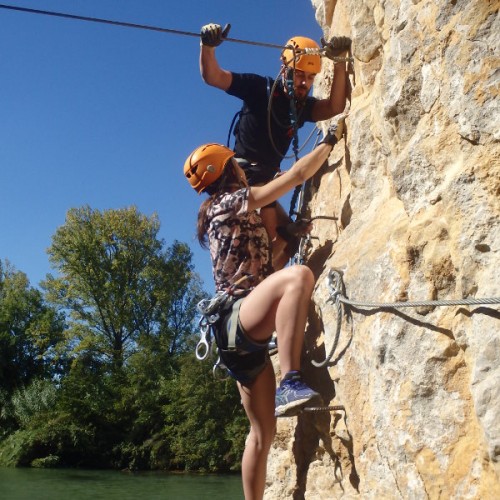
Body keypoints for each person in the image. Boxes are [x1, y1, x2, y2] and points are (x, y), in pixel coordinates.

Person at [183, 118, 344, 500]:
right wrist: (331, 141)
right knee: (298, 278)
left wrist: (288, 236)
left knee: (262, 433)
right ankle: (291, 380)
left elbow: (262, 269)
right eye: (236, 164)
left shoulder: (230, 215)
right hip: (238, 318)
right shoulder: (230, 202)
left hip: (238, 334)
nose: (242, 167)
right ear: (228, 170)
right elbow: (295, 176)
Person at [199, 23, 351, 268]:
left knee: (289, 244)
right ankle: (258, 292)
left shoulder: (300, 107)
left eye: (310, 78)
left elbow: (334, 107)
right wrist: (208, 46)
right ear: (285, 68)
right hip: (246, 177)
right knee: (274, 244)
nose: (304, 83)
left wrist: (340, 62)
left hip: (265, 180)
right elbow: (213, 77)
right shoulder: (259, 88)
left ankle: (265, 290)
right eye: (299, 74)